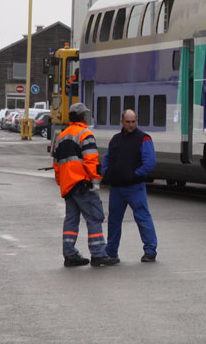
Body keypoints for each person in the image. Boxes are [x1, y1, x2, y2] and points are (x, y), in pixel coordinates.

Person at [51, 102, 117, 267]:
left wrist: (62, 183)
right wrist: (96, 180)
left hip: (69, 186)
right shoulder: (84, 134)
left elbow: (56, 164)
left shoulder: (61, 136)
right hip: (83, 184)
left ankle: (69, 254)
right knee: (94, 217)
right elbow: (90, 160)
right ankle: (98, 254)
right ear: (83, 117)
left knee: (71, 220)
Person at [102, 108, 158, 263]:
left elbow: (150, 162)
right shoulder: (115, 139)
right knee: (114, 221)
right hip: (118, 188)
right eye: (128, 122)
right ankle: (111, 252)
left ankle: (150, 251)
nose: (131, 125)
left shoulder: (144, 139)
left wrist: (135, 175)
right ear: (122, 122)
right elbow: (107, 159)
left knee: (142, 218)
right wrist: (106, 173)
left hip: (134, 187)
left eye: (133, 121)